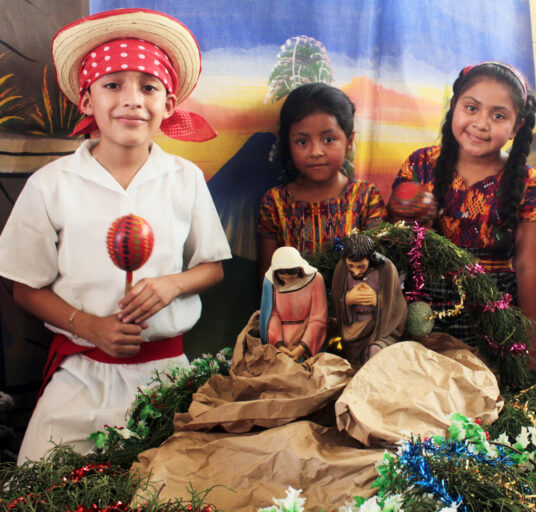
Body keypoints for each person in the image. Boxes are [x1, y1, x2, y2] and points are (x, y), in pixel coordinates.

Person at [0, 8, 231, 462]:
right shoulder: (52, 184)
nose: (132, 99)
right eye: (112, 85)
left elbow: (212, 267)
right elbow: (24, 287)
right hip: (81, 373)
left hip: (167, 377)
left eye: (149, 86)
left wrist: (172, 284)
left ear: (168, 104)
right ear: (87, 100)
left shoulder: (185, 178)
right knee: (37, 484)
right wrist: (88, 326)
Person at [389, 62, 536, 369]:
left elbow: (529, 267)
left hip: (493, 310)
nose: (481, 123)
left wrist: (533, 347)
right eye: (471, 108)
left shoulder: (529, 181)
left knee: (487, 393)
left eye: (498, 115)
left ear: (517, 127)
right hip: (426, 304)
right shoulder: (421, 164)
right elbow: (395, 236)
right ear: (454, 107)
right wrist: (407, 214)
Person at [257, 83, 387, 284]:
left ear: (349, 141)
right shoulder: (275, 203)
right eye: (302, 142)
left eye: (328, 139)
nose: (316, 151)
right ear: (288, 144)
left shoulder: (365, 197)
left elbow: (378, 270)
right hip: (294, 311)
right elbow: (267, 278)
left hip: (354, 308)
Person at [331, 233, 407, 368]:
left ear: (370, 259)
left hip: (381, 329)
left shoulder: (386, 269)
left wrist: (377, 300)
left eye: (361, 266)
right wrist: (347, 299)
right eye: (351, 266)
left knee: (375, 352)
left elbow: (397, 305)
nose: (355, 272)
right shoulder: (341, 269)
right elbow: (337, 301)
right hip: (353, 328)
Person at [261, 246, 327, 360]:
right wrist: (279, 345)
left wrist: (302, 348)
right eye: (282, 276)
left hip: (307, 341)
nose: (287, 281)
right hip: (279, 345)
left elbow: (318, 318)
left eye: (291, 276)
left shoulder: (315, 279)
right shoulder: (269, 282)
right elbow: (271, 315)